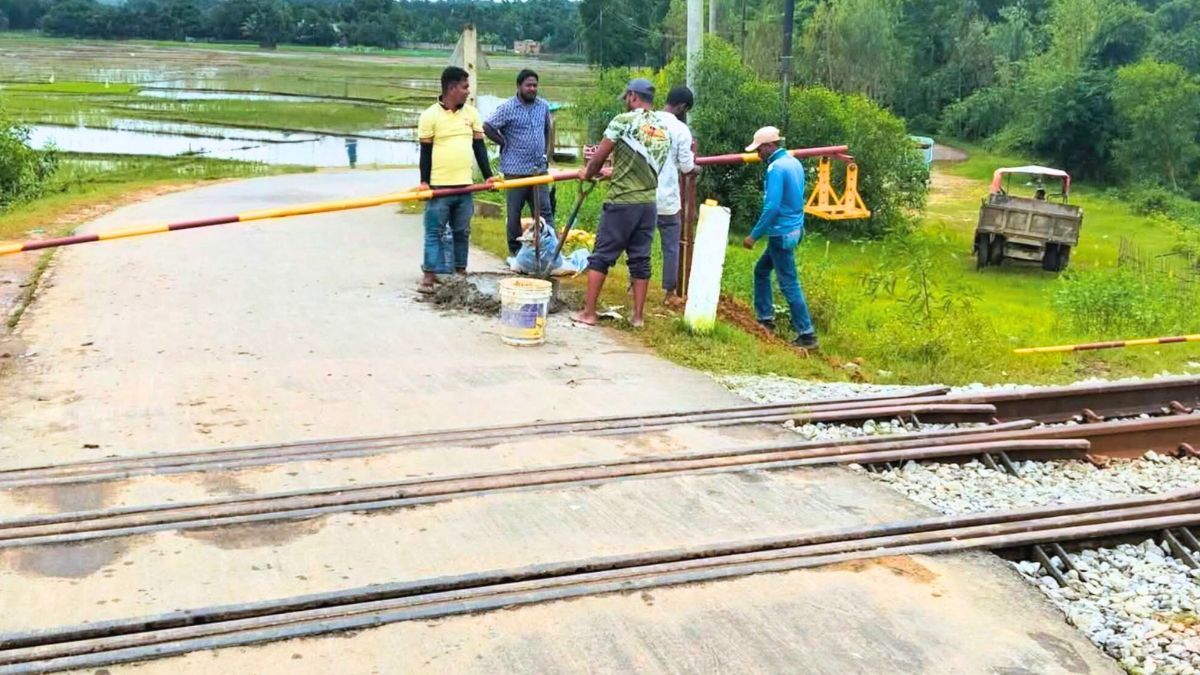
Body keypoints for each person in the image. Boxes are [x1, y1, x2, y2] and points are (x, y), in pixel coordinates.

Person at [572, 79, 672, 328]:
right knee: (640, 258)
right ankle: (638, 317)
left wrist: (588, 172)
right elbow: (643, 163)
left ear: (632, 96)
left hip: (621, 202)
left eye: (627, 98)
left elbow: (599, 157)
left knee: (601, 256)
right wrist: (613, 171)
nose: (626, 102)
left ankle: (589, 313)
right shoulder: (662, 127)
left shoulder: (623, 121)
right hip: (648, 204)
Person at [416, 66, 496, 294]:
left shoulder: (471, 114)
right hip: (439, 188)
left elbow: (479, 148)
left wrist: (489, 175)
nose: (467, 92)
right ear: (451, 88)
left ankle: (460, 274)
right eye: (464, 87)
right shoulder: (429, 116)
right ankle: (429, 277)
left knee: (462, 232)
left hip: (465, 187)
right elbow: (425, 153)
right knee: (435, 232)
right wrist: (424, 182)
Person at [741, 126, 818, 350]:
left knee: (789, 283)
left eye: (759, 150)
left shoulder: (775, 168)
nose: (757, 155)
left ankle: (807, 334)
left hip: (780, 232)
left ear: (769, 146)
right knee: (762, 270)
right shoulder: (794, 162)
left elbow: (772, 207)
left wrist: (753, 236)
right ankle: (765, 319)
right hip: (795, 229)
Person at [484, 69, 554, 256]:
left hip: (539, 170)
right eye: (528, 85)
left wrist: (546, 154)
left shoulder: (543, 106)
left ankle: (548, 250)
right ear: (519, 86)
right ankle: (515, 253)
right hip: (515, 171)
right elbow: (488, 126)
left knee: (544, 212)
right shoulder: (508, 108)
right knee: (514, 214)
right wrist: (504, 142)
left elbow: (548, 130)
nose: (532, 89)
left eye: (535, 85)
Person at [655, 85, 697, 305]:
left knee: (638, 242)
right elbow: (686, 166)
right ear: (682, 107)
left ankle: (635, 284)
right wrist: (696, 169)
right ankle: (669, 294)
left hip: (642, 194)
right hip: (667, 198)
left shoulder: (648, 120)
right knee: (671, 246)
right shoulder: (681, 130)